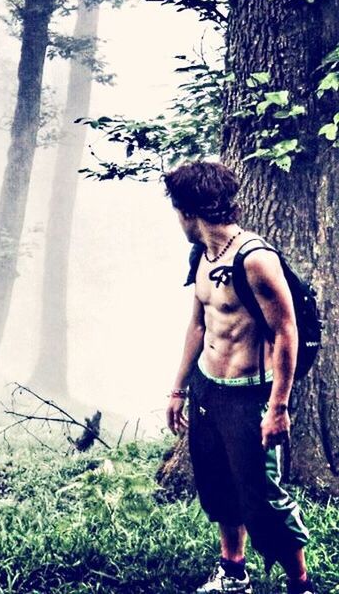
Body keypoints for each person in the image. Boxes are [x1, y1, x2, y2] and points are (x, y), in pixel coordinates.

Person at [163, 160, 314, 594]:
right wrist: (179, 388)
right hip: (209, 390)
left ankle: (301, 584)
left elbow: (287, 331)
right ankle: (234, 574)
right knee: (218, 485)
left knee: (263, 497)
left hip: (251, 396)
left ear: (189, 211)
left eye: (177, 210)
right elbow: (198, 325)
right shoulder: (203, 256)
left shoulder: (256, 259)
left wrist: (278, 408)